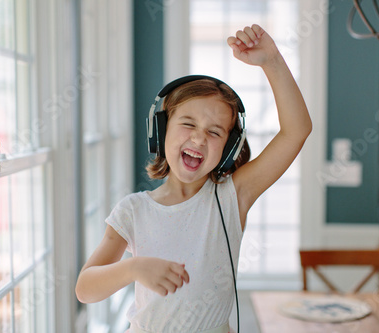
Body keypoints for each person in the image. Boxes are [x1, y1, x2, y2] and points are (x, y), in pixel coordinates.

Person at [75, 24, 312, 333]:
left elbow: (297, 130)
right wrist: (133, 267)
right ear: (161, 131)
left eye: (214, 132)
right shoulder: (133, 211)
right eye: (188, 124)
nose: (199, 139)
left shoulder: (232, 197)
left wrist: (272, 60)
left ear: (228, 149)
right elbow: (85, 288)